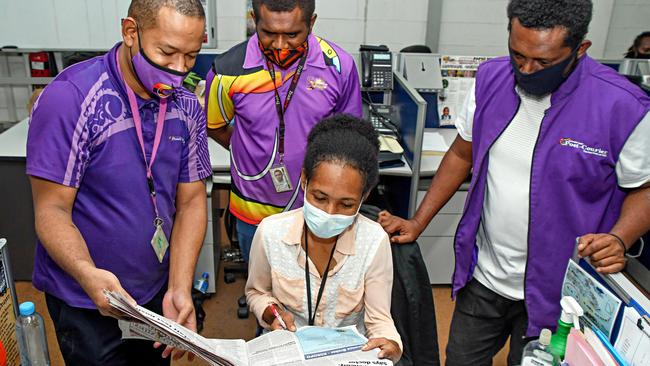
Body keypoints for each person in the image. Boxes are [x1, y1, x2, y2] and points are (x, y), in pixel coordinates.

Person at [379, 0, 650, 364]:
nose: (526, 69)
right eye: (517, 55)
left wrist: (620, 238)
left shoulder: (624, 106)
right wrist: (418, 221)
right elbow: (462, 155)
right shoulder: (491, 79)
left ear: (580, 49)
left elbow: (644, 188)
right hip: (485, 277)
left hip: (561, 292)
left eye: (543, 62)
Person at [26, 0, 211, 364]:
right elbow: (51, 209)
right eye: (167, 52)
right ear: (130, 32)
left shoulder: (187, 106)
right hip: (85, 297)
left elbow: (190, 200)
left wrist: (179, 285)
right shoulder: (72, 99)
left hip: (154, 291)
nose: (179, 70)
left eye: (190, 56)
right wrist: (87, 273)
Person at [204, 0, 362, 263]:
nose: (279, 44)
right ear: (254, 19)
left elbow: (349, 139)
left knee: (308, 287)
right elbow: (215, 125)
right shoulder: (226, 71)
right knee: (260, 288)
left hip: (315, 210)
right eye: (268, 33)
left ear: (311, 23)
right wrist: (251, 151)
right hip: (252, 208)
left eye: (292, 34)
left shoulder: (338, 66)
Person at [245, 115, 402, 363]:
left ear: (365, 196)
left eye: (347, 204)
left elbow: (379, 319)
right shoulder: (271, 233)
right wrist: (269, 312)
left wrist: (390, 344)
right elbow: (257, 292)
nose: (329, 213)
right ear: (304, 180)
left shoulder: (373, 242)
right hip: (287, 352)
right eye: (319, 198)